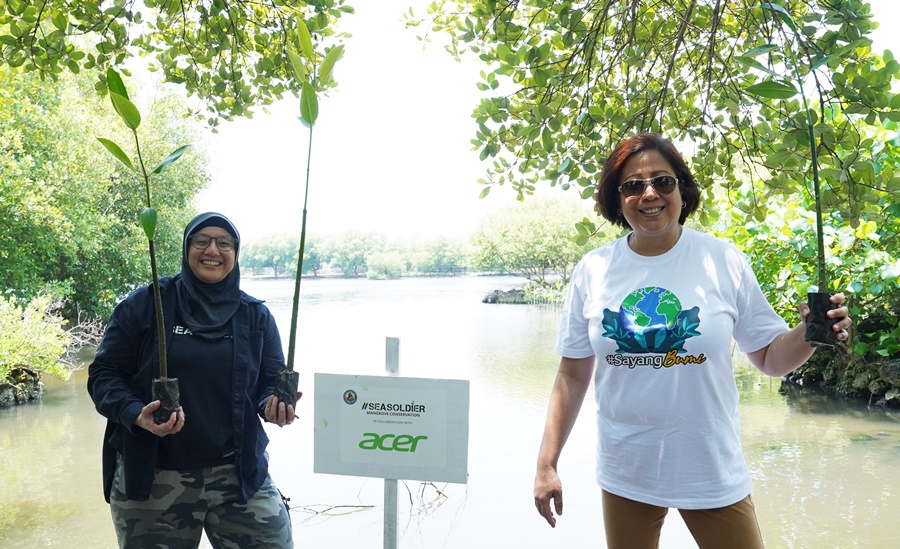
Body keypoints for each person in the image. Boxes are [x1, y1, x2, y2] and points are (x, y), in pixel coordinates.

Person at [532, 133, 852, 548]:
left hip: (710, 467)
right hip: (628, 468)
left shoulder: (722, 260)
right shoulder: (594, 270)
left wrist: (811, 332)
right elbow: (573, 375)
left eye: (663, 182)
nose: (649, 194)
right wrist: (546, 463)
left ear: (683, 190)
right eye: (633, 185)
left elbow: (771, 358)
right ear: (617, 199)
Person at [88, 212, 298, 548]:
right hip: (155, 477)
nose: (212, 250)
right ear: (187, 248)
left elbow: (268, 383)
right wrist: (136, 413)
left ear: (235, 252)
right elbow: (103, 374)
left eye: (223, 243)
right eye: (201, 241)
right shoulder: (147, 304)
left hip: (240, 476)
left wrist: (273, 407)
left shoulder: (254, 314)